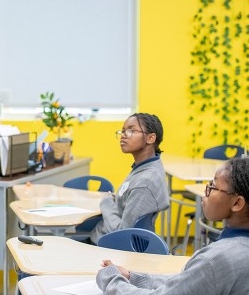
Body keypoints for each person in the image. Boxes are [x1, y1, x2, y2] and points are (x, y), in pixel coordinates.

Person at [97, 157, 249, 294]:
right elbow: (187, 284)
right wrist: (132, 277)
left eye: (213, 186)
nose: (205, 191)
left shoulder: (215, 260)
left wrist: (111, 279)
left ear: (237, 203)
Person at [89, 113, 169, 244]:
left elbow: (122, 233)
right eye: (123, 130)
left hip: (104, 246)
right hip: (101, 238)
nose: (123, 135)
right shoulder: (146, 166)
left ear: (151, 138)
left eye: (131, 130)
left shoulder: (145, 182)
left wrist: (107, 203)